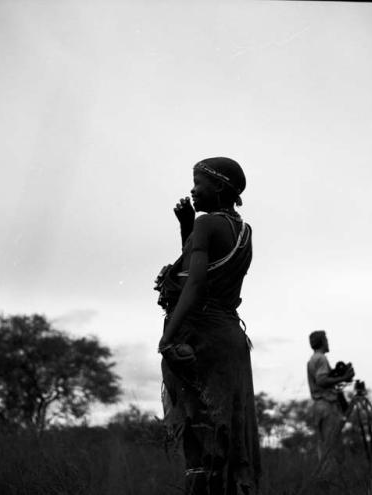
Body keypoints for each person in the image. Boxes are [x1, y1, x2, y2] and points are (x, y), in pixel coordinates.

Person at [155, 157, 260, 495]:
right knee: (225, 434)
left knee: (201, 440)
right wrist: (186, 226)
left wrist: (167, 340)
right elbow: (201, 269)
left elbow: (196, 285)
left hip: (199, 340)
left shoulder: (208, 225)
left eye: (198, 183)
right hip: (228, 340)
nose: (192, 189)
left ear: (218, 187)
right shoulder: (242, 230)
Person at [307, 330, 355, 463]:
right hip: (327, 405)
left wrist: (336, 375)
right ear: (322, 341)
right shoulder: (321, 358)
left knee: (324, 448)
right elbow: (321, 380)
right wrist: (344, 377)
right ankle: (331, 480)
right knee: (332, 448)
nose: (328, 342)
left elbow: (322, 379)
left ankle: (325, 479)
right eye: (326, 339)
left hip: (318, 406)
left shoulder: (313, 359)